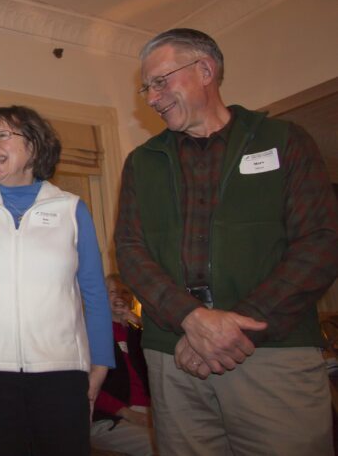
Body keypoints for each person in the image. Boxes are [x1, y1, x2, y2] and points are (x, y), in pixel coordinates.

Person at [114, 28, 338, 455]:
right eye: (147, 88)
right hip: (174, 357)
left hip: (271, 352)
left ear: (205, 70)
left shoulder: (284, 141)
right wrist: (191, 319)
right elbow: (130, 251)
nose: (153, 98)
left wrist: (236, 327)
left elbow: (320, 243)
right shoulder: (142, 162)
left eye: (160, 82)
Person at [0, 105, 114, 456]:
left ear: (33, 145)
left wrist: (101, 365)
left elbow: (94, 292)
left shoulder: (71, 209)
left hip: (62, 374)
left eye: (2, 135)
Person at [91, 274, 155, 456]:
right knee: (160, 447)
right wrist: (127, 413)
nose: (120, 296)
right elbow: (87, 385)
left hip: (149, 410)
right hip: (109, 417)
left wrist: (140, 324)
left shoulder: (138, 333)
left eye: (125, 292)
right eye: (113, 292)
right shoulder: (92, 332)